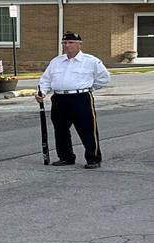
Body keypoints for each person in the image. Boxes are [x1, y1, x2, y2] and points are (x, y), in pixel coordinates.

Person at [34, 32, 111, 170]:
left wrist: (88, 88)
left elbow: (104, 78)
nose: (67, 45)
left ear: (79, 44)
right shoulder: (56, 61)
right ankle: (66, 157)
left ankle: (93, 158)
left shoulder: (91, 61)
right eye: (64, 43)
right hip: (59, 99)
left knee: (87, 130)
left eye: (71, 42)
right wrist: (42, 92)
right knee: (60, 130)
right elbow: (46, 80)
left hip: (80, 98)